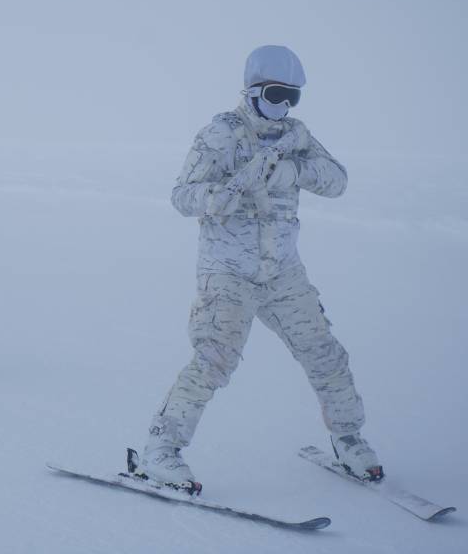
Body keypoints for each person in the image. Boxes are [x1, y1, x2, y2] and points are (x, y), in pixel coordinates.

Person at [138, 45, 382, 490]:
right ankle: (160, 450)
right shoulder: (222, 134)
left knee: (325, 354)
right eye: (275, 94)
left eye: (293, 96)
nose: (284, 106)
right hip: (228, 272)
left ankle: (349, 439)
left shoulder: (296, 137)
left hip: (283, 273)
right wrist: (220, 197)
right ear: (251, 91)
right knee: (214, 360)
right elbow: (181, 196)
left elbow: (338, 181)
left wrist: (293, 172)